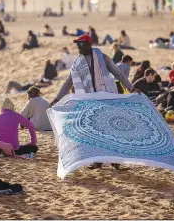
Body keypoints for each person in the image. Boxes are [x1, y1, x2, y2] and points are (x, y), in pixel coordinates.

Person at [50, 34, 140, 170]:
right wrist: (57, 98)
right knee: (96, 131)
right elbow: (68, 82)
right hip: (90, 102)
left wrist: (131, 87)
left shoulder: (103, 58)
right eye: (77, 44)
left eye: (80, 44)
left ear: (88, 44)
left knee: (111, 130)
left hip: (106, 99)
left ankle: (115, 161)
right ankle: (98, 161)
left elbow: (118, 74)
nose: (78, 47)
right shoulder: (77, 62)